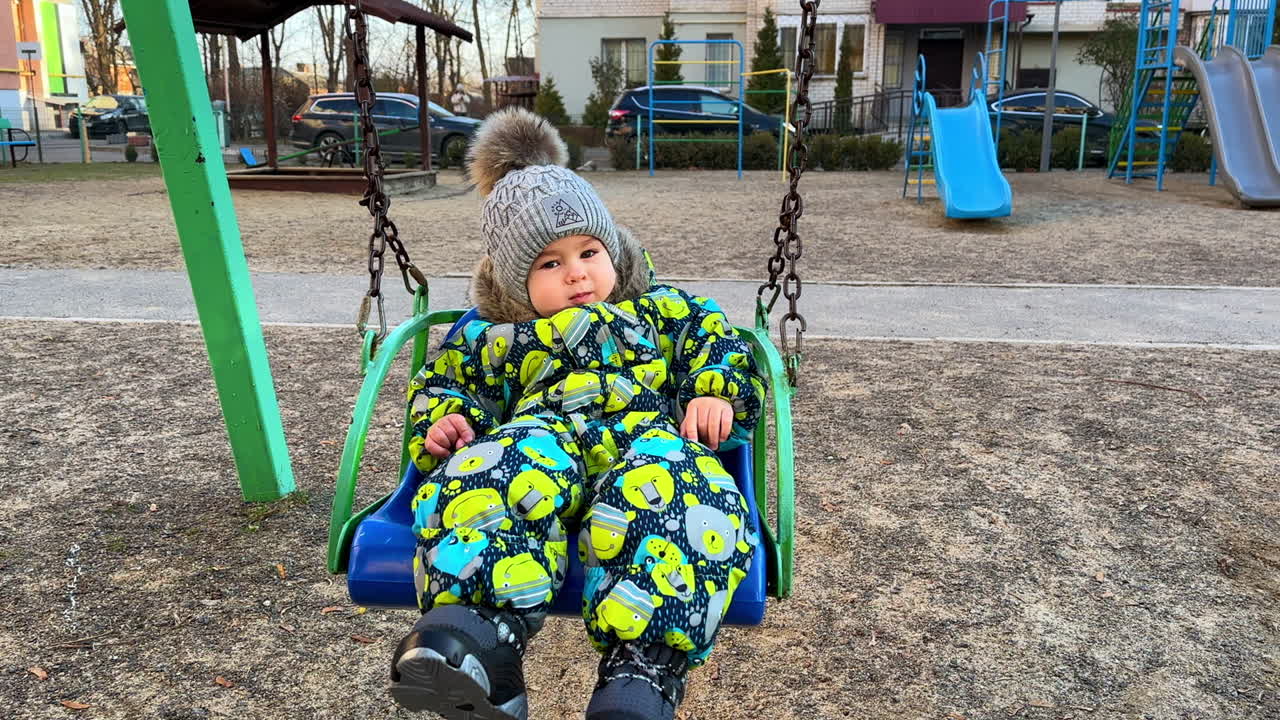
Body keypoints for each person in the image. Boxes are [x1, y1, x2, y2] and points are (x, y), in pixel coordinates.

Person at [388, 107, 766, 720]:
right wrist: (448, 420)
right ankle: (482, 645)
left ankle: (639, 678)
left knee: (685, 496)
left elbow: (719, 345)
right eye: (549, 263)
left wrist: (713, 392)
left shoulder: (662, 311)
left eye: (589, 251)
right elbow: (448, 383)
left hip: (647, 441)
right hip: (543, 438)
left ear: (612, 250)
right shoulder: (496, 336)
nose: (577, 274)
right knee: (486, 474)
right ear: (516, 283)